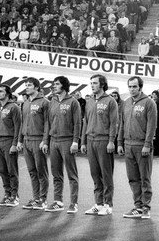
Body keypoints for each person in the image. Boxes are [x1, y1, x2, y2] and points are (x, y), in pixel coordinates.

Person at [118, 76, 157, 219]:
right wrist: (120, 142)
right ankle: (138, 206)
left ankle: (146, 207)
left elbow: (152, 126)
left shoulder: (149, 103)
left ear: (140, 87)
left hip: (142, 146)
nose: (132, 89)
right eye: (130, 86)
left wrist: (147, 144)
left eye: (134, 86)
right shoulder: (126, 103)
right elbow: (122, 123)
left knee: (144, 178)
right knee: (133, 178)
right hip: (128, 145)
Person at [81, 74, 118, 216]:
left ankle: (108, 204)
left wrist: (111, 141)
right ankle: (98, 203)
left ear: (102, 84)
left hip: (104, 141)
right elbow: (85, 121)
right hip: (90, 140)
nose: (92, 85)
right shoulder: (89, 101)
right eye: (91, 83)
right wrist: (83, 142)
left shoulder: (110, 101)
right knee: (95, 174)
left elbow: (114, 123)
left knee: (106, 174)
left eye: (95, 83)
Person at [45, 76, 82, 214]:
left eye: (56, 84)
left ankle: (73, 203)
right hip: (54, 140)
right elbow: (48, 121)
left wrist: (75, 141)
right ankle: (58, 201)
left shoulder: (73, 102)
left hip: (67, 141)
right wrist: (47, 140)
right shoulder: (52, 101)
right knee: (56, 174)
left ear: (64, 86)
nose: (53, 86)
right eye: (53, 84)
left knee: (72, 174)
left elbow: (78, 123)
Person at [18, 77, 50, 210]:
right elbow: (22, 123)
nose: (27, 87)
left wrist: (45, 140)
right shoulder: (24, 103)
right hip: (26, 140)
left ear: (36, 87)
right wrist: (19, 140)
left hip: (38, 140)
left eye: (29, 85)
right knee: (32, 171)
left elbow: (48, 123)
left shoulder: (45, 102)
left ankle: (43, 199)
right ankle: (36, 197)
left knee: (41, 171)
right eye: (26, 85)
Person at [0, 84, 21, 207]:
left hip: (9, 142)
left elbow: (18, 127)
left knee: (11, 170)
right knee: (2, 170)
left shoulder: (14, 107)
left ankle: (14, 196)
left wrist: (15, 144)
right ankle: (7, 194)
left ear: (7, 93)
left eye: (1, 91)